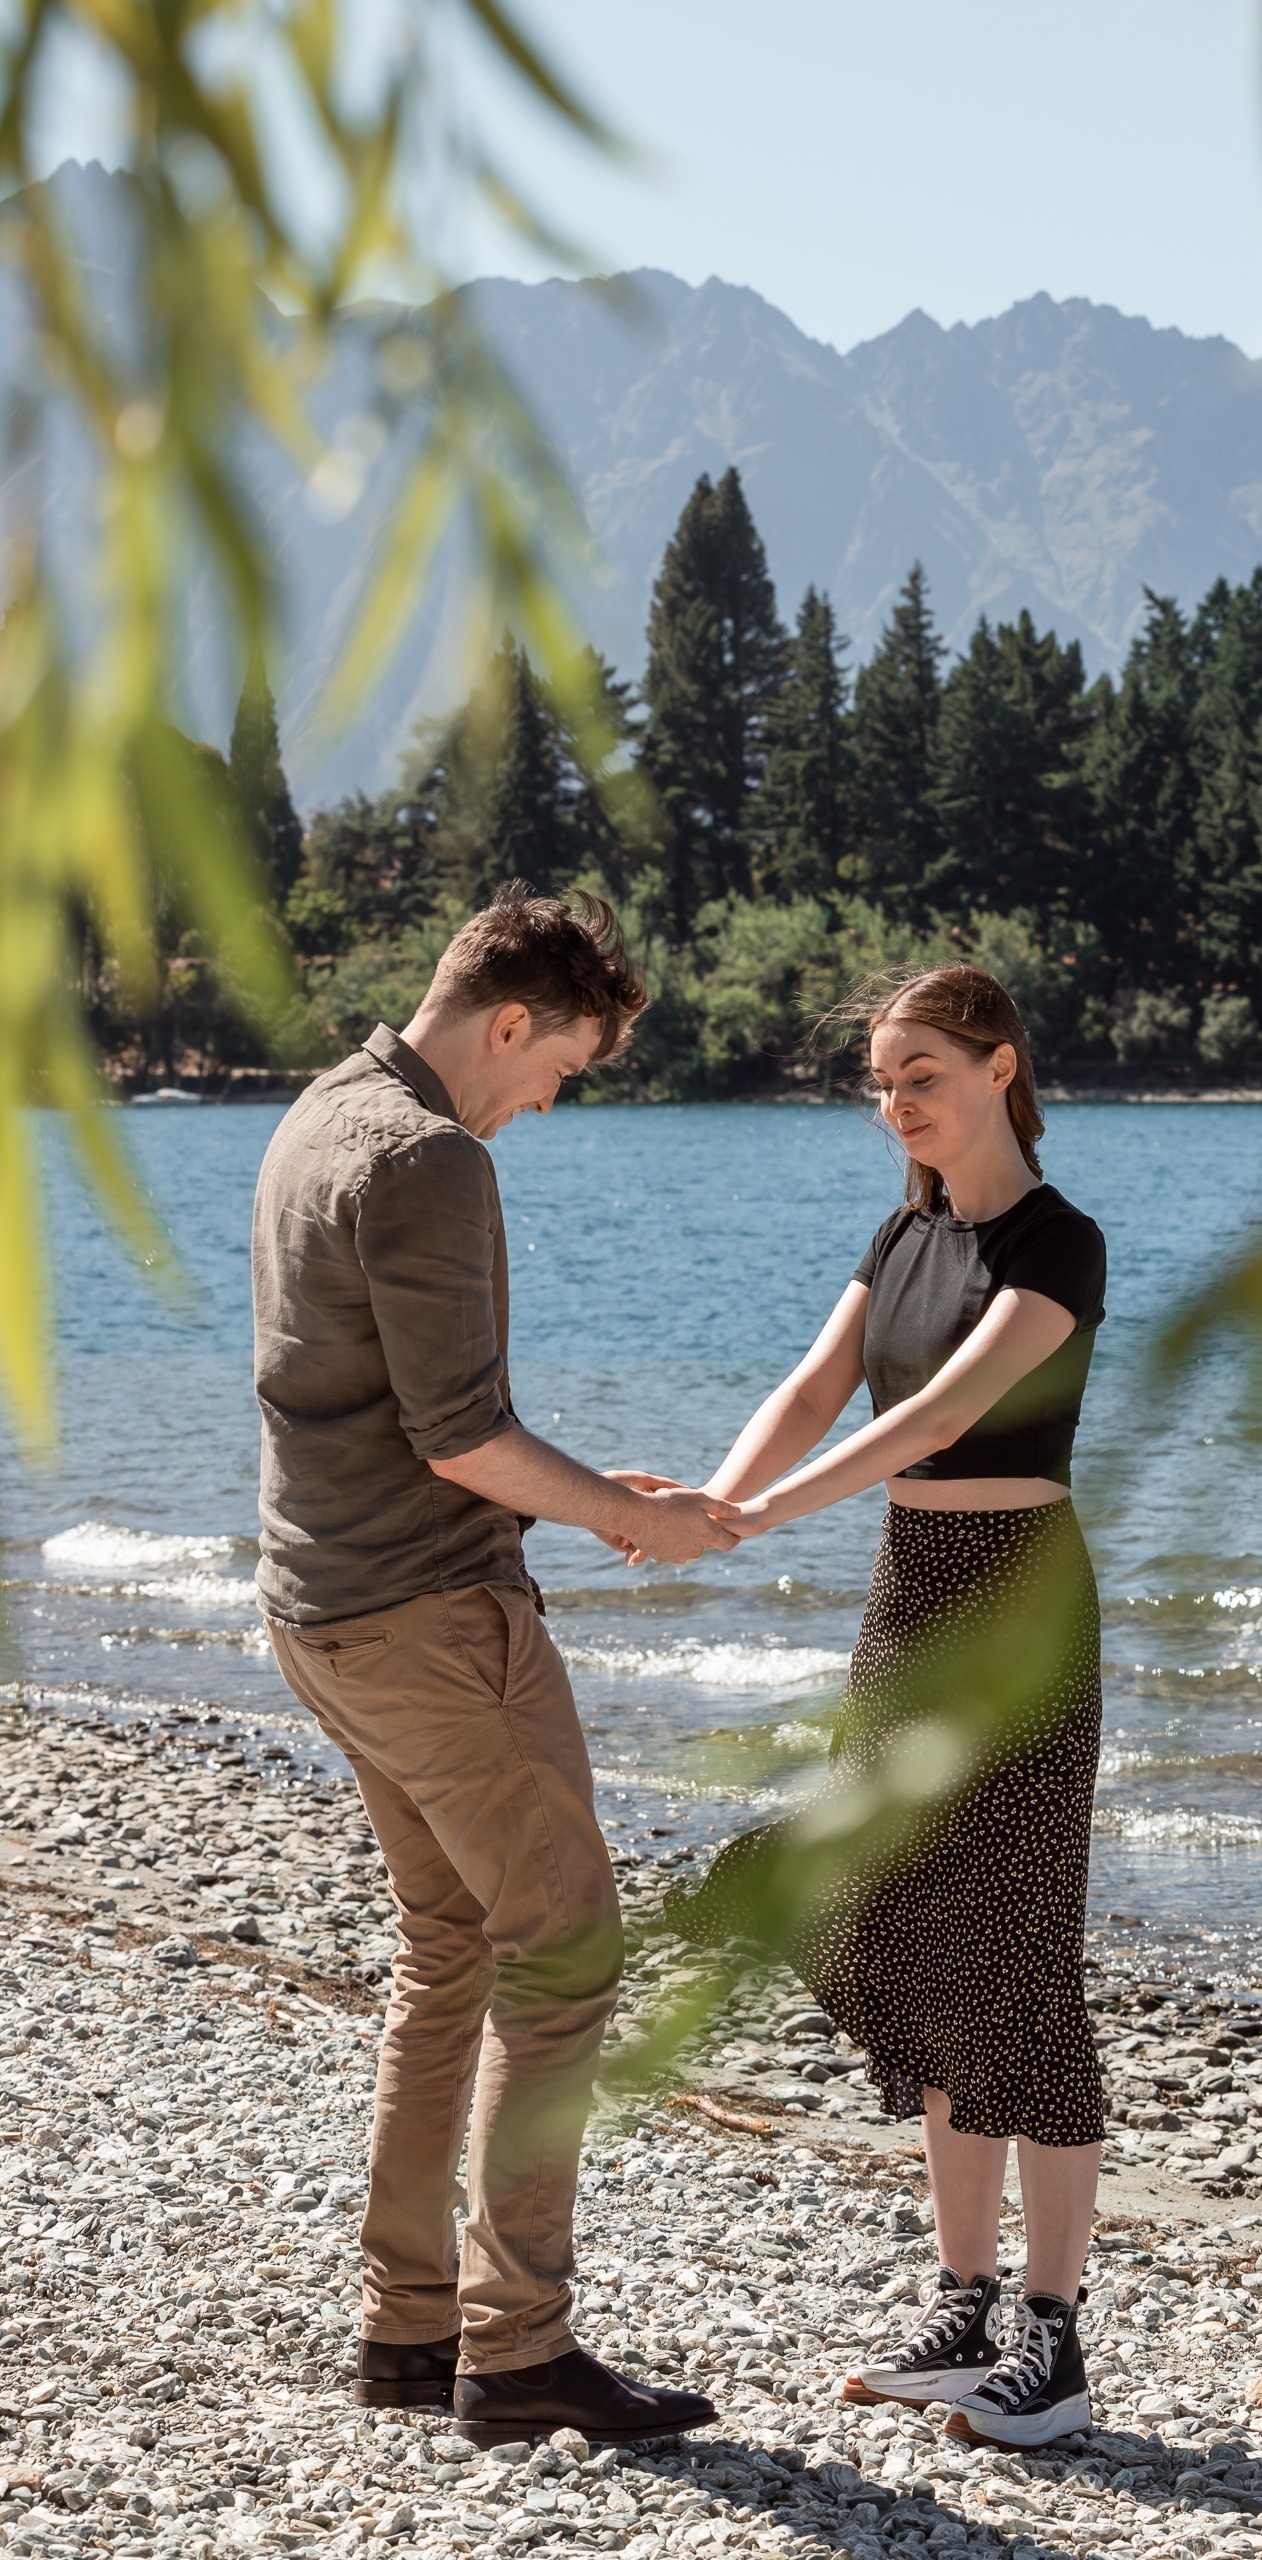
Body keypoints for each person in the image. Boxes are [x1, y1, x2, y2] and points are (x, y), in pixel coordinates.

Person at [252, 882, 734, 2446]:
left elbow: (389, 1407)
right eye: (562, 1070)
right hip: (432, 1623)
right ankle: (516, 2352)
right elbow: (460, 1438)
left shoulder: (321, 1114)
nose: (546, 1106)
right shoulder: (429, 1155)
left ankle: (407, 2330)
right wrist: (631, 1522)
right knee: (567, 1947)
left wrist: (589, 1491)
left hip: (321, 1610)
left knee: (449, 1946)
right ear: (510, 1020)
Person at [668, 964, 1108, 2451]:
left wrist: (759, 1516)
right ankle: (963, 2305)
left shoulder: (1058, 1241)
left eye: (922, 1074)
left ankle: (1053, 2338)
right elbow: (816, 1389)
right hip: (907, 1593)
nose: (897, 1103)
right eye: (881, 1082)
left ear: (999, 1068)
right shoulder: (905, 1233)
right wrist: (713, 1500)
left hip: (1018, 1607)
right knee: (910, 1933)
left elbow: (938, 1416)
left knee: (1020, 1951)